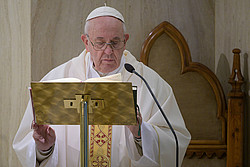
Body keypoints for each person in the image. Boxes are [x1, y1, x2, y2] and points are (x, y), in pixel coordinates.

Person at [13, 5, 191, 167]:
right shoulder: (58, 79)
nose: (108, 51)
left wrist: (141, 133)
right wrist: (44, 148)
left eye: (115, 42)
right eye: (100, 43)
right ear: (86, 42)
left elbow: (175, 142)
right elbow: (26, 143)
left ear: (125, 40)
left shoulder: (149, 82)